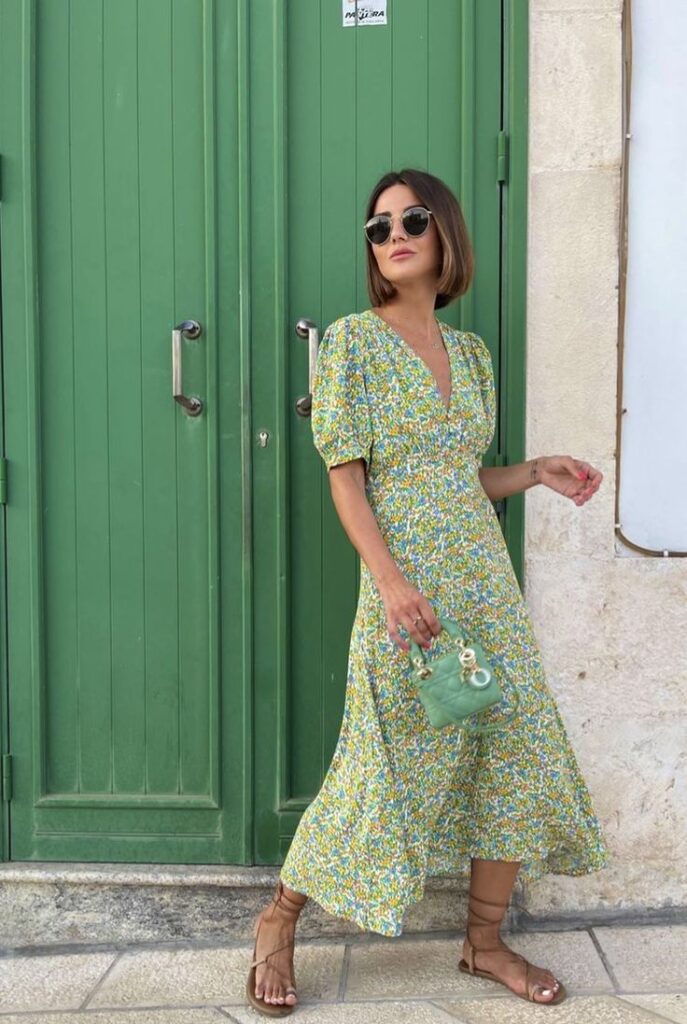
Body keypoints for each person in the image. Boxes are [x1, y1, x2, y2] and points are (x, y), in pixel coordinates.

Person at [246, 168, 610, 1016]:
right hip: (405, 592)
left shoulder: (472, 354)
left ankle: (483, 944)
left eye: (411, 219)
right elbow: (347, 480)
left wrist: (534, 471)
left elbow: (458, 479)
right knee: (383, 764)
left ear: (445, 230)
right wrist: (391, 582)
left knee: (514, 748)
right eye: (378, 228)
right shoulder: (352, 343)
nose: (394, 236)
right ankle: (278, 917)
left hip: (484, 586)